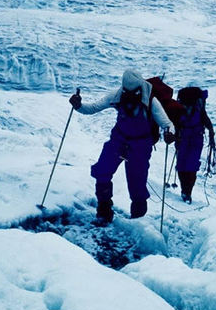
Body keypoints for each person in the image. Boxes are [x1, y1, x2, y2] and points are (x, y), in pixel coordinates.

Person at [69, 69, 175, 224]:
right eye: (127, 91)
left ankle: (137, 221)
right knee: (102, 171)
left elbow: (167, 124)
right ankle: (104, 211)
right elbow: (92, 108)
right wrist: (78, 106)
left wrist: (169, 132)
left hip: (140, 145)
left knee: (137, 184)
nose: (130, 94)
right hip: (118, 141)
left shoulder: (151, 100)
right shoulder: (117, 95)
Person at [174, 86, 214, 204]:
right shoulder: (198, 106)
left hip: (184, 137)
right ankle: (187, 192)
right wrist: (211, 131)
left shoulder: (181, 107)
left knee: (183, 164)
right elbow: (204, 117)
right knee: (190, 165)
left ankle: (185, 191)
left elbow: (175, 121)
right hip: (196, 137)